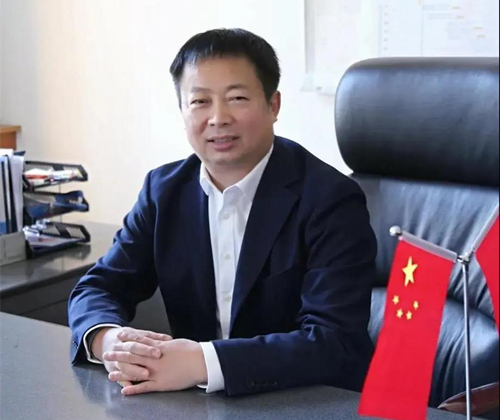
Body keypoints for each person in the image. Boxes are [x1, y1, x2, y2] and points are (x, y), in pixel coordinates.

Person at [68, 28, 377, 398]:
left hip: (309, 400)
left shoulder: (329, 199)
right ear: (182, 112)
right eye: (200, 101)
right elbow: (99, 287)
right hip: (200, 403)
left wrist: (203, 362)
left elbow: (334, 341)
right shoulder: (164, 192)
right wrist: (110, 340)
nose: (218, 118)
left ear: (273, 105)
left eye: (237, 98)